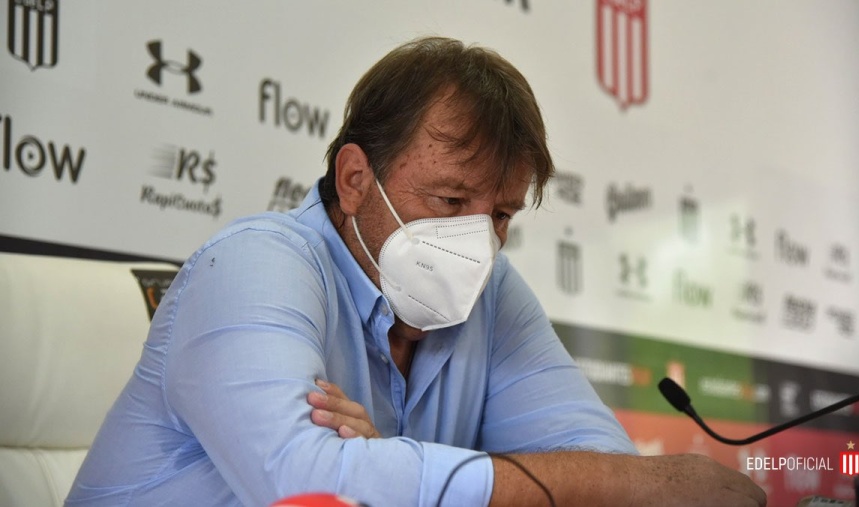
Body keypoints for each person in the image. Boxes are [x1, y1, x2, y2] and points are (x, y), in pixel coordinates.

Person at [66, 36, 766, 507]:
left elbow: (599, 466)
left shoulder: (494, 296)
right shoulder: (253, 263)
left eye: (501, 214)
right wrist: (407, 472)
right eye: (451, 201)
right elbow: (305, 487)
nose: (479, 242)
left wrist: (391, 466)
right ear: (354, 180)